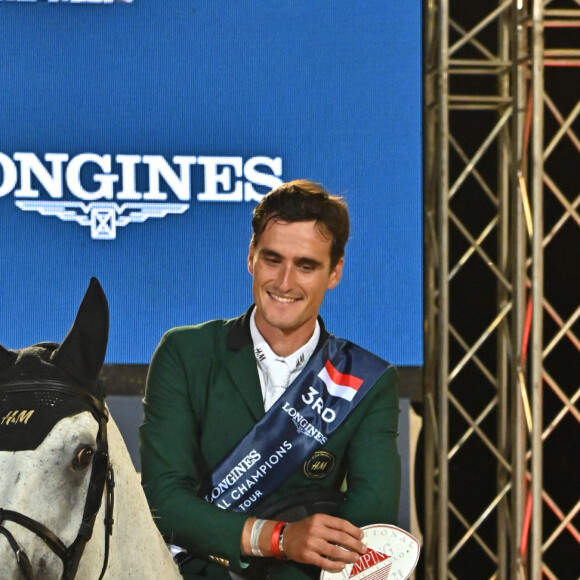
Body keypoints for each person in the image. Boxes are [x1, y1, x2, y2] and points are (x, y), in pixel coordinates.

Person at [140, 179, 401, 580]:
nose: (284, 282)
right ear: (251, 257)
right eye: (272, 259)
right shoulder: (185, 353)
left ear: (335, 272)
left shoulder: (365, 381)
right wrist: (279, 538)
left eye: (306, 265)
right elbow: (164, 502)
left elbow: (367, 530)